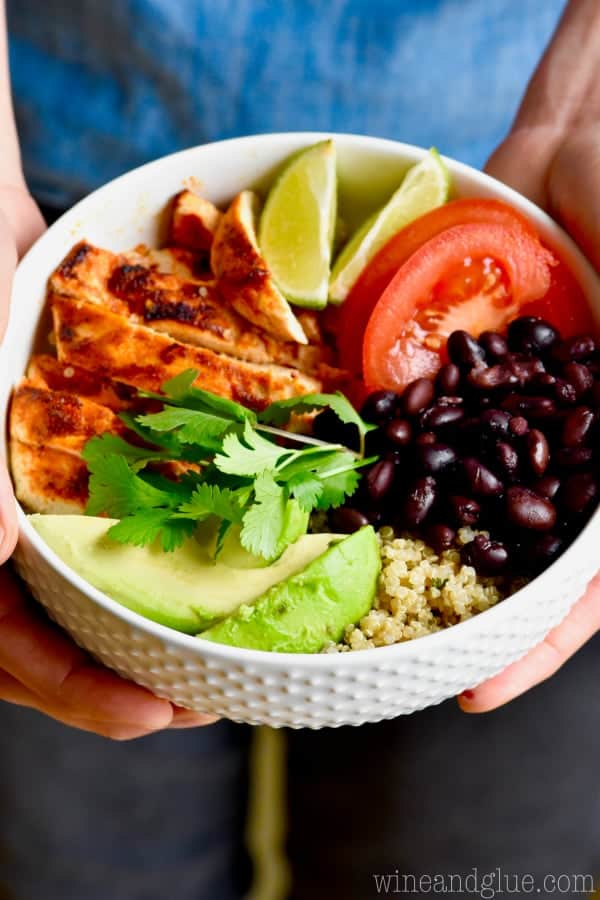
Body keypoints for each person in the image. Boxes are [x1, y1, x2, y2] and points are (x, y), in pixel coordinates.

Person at [1, 1, 599, 897]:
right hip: (50, 174)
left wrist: (581, 105)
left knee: (470, 871)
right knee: (86, 870)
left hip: (506, 177)